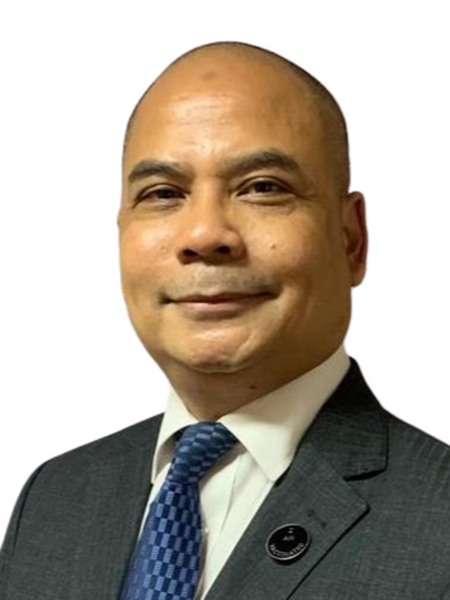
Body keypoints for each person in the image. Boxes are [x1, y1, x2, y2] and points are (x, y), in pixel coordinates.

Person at [1, 41, 450, 600]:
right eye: (163, 194)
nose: (204, 235)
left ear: (351, 240)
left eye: (262, 187)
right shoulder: (54, 499)